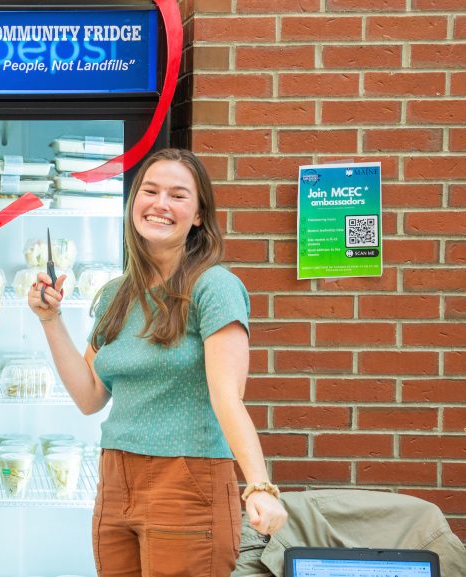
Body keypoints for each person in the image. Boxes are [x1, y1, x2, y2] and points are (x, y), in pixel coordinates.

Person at [28, 148, 287, 577]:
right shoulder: (116, 293)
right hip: (115, 478)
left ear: (199, 215)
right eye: (150, 191)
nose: (160, 204)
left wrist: (259, 486)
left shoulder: (215, 287)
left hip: (186, 479)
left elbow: (228, 397)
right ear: (134, 203)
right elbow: (90, 397)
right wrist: (50, 319)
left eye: (178, 195)